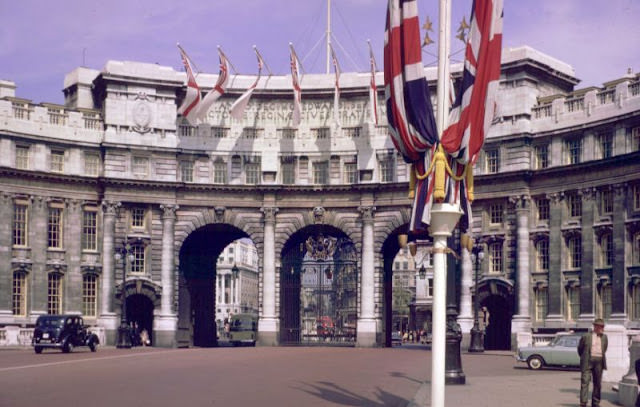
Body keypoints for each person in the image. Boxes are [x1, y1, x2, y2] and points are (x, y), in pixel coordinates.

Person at [578, 318, 608, 407]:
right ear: (595, 326)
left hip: (599, 361)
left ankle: (595, 403)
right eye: (600, 326)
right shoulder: (586, 336)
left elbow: (604, 348)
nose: (601, 328)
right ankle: (583, 402)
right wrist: (584, 357)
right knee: (585, 381)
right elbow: (580, 349)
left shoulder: (604, 337)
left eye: (602, 326)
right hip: (587, 361)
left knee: (597, 383)